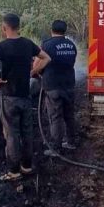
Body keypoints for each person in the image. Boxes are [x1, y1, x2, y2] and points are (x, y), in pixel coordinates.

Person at [0, 13, 50, 181]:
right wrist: (33, 72)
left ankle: (14, 171)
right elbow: (46, 58)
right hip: (25, 96)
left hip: (8, 96)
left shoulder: (1, 47)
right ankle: (27, 167)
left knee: (12, 134)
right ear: (18, 26)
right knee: (27, 131)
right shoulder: (27, 44)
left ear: (4, 27)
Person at [35, 20, 78, 156]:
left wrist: (35, 72)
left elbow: (38, 62)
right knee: (69, 115)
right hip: (69, 84)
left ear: (51, 29)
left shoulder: (47, 45)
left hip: (53, 85)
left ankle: (55, 148)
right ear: (65, 30)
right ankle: (71, 142)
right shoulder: (71, 45)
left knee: (55, 117)